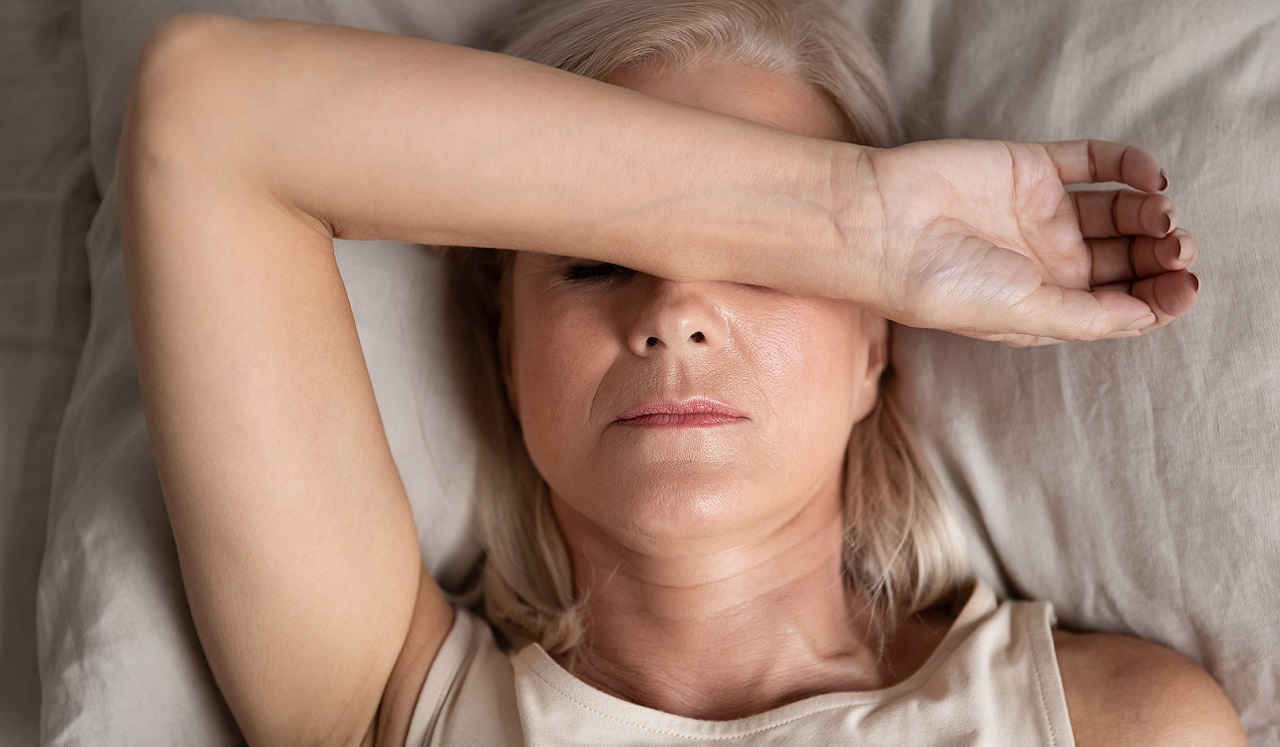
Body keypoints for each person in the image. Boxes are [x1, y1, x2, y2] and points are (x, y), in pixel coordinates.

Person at [116, 0, 1241, 744]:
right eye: (595, 266)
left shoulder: (1113, 726)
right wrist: (843, 215)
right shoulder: (388, 703)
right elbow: (206, 112)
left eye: (763, 267)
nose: (673, 317)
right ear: (504, 346)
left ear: (876, 343)